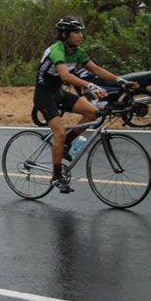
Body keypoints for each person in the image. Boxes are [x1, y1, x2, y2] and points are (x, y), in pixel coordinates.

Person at [34, 16, 137, 193]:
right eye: (76, 32)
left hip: (58, 92)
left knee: (92, 112)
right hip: (44, 95)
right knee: (59, 133)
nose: (80, 35)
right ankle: (56, 176)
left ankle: (67, 143)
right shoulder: (56, 50)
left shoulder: (77, 51)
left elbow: (97, 70)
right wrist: (89, 85)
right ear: (65, 34)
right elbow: (65, 76)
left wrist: (120, 80)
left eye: (81, 32)